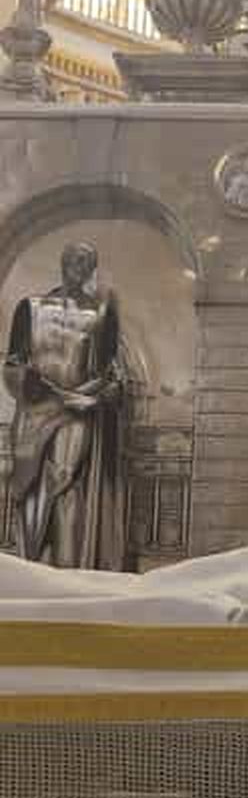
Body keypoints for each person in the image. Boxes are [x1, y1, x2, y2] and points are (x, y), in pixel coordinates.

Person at [4, 242, 126, 570]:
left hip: (77, 410)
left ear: (92, 268)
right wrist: (29, 384)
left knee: (63, 475)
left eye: (87, 260)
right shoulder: (30, 307)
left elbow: (110, 370)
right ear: (62, 262)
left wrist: (106, 393)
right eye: (75, 258)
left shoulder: (101, 314)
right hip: (35, 408)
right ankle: (31, 563)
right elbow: (13, 362)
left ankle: (64, 564)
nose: (79, 265)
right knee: (28, 483)